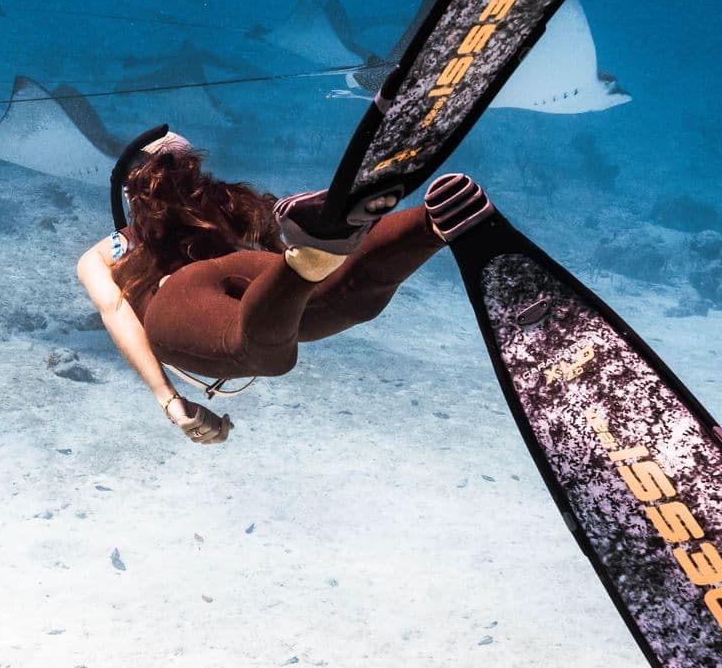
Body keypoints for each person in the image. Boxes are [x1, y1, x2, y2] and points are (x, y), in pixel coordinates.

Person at [75, 132, 483, 442]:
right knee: (337, 293)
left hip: (179, 296)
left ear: (133, 191)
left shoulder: (116, 249)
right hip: (254, 270)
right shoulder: (231, 208)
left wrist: (169, 399)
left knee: (257, 347)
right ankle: (428, 225)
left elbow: (114, 311)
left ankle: (305, 264)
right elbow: (268, 246)